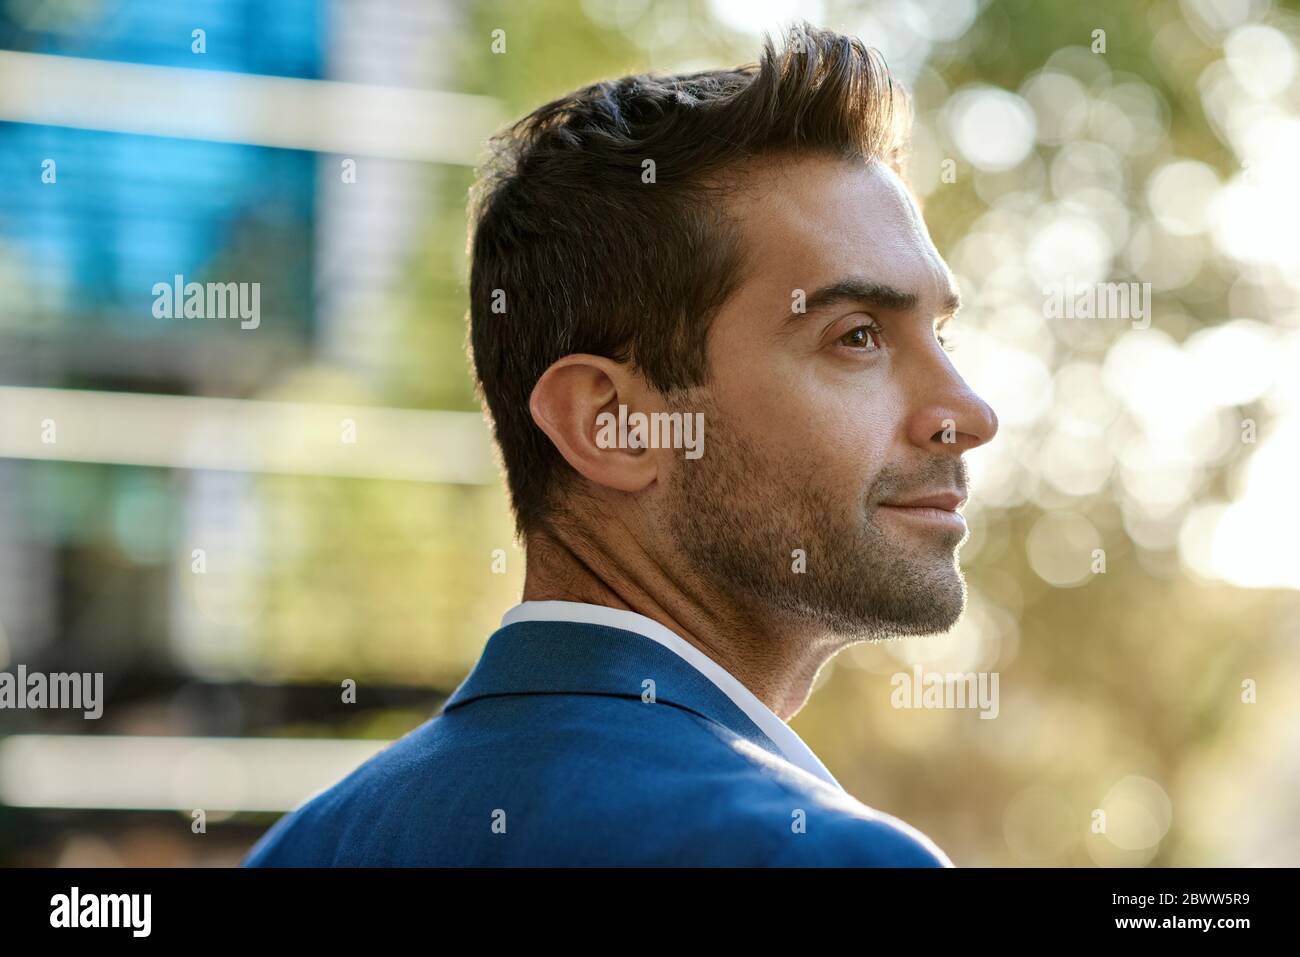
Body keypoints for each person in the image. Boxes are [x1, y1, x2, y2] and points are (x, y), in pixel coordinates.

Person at [244, 21, 997, 867]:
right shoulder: (820, 856)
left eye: (941, 335)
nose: (967, 411)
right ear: (610, 422)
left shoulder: (301, 848)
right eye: (857, 335)